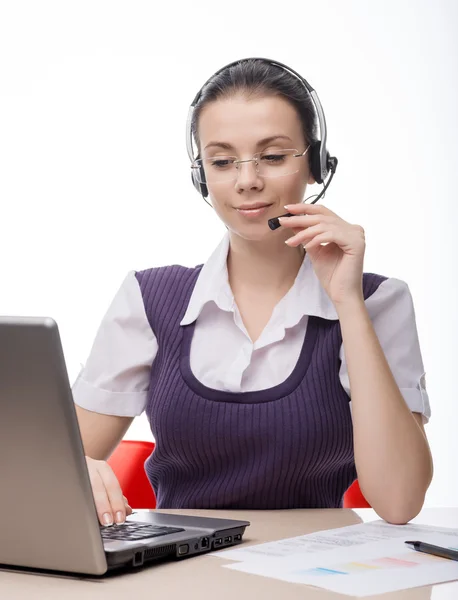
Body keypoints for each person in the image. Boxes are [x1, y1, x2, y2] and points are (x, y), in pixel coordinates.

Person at [73, 58, 433, 528]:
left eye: (274, 156)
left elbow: (399, 501)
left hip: (318, 578)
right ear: (201, 174)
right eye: (222, 162)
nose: (247, 180)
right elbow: (55, 467)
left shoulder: (376, 300)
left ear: (317, 165)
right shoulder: (149, 298)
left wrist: (347, 303)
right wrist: (76, 468)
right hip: (180, 576)